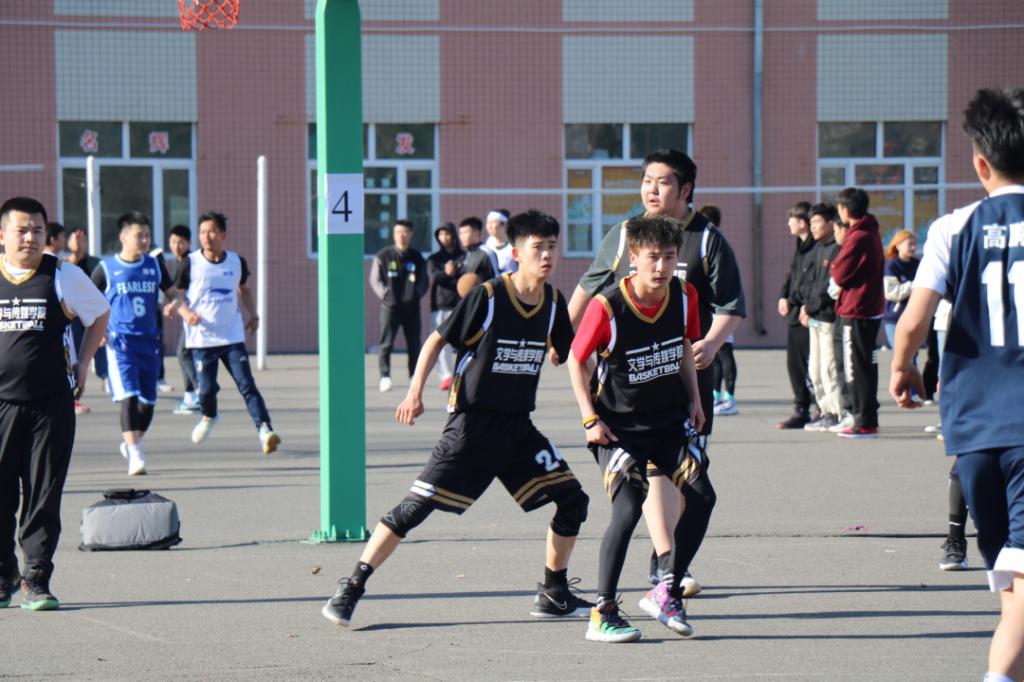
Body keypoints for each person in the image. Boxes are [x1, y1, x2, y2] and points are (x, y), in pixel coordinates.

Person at [322, 210, 592, 628]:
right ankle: (351, 587)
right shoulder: (489, 297)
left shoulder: (554, 302)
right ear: (516, 253)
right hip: (472, 427)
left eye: (553, 247)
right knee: (413, 510)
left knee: (573, 499)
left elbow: (566, 352)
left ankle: (553, 592)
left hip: (518, 430)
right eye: (538, 247)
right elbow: (435, 340)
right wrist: (414, 391)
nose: (547, 255)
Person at [890, 87, 1024, 682]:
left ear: (980, 162)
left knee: (1012, 591)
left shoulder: (953, 227)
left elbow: (913, 320)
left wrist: (902, 368)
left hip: (972, 433)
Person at [568, 148, 744, 594]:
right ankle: (665, 563)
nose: (651, 189)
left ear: (686, 190)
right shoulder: (624, 234)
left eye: (662, 182)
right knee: (652, 474)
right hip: (628, 386)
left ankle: (667, 559)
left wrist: (710, 343)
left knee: (689, 480)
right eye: (647, 180)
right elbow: (588, 287)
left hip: (685, 378)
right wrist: (560, 337)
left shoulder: (707, 241)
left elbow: (731, 306)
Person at [568, 215, 707, 642]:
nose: (662, 266)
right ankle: (603, 612)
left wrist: (696, 400)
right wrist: (590, 419)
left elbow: (683, 346)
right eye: (653, 257)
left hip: (667, 423)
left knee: (702, 496)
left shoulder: (684, 296)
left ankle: (667, 589)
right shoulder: (608, 306)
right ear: (633, 257)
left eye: (669, 257)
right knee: (628, 510)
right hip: (618, 431)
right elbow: (576, 359)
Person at [0, 196, 109, 610]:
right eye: (21, 230)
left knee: (43, 494)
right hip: (2, 405)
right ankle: (3, 575)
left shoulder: (63, 275)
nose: (30, 238)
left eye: (37, 230)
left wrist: (84, 363)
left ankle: (36, 578)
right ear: (3, 235)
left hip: (51, 404)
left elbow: (100, 313)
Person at [171, 212, 280, 454]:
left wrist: (253, 315)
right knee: (206, 389)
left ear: (223, 235)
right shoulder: (189, 263)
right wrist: (186, 313)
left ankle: (265, 430)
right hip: (202, 339)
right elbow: (176, 296)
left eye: (211, 232)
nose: (206, 237)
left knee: (247, 385)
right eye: (202, 232)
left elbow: (245, 289)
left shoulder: (236, 262)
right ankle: (209, 415)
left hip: (231, 337)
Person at [91, 212, 176, 476]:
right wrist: (97, 330)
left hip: (149, 342)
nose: (145, 240)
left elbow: (173, 293)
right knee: (129, 396)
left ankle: (131, 442)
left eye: (148, 235)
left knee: (148, 402)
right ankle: (135, 454)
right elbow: (88, 300)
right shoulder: (106, 268)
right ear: (124, 237)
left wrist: (174, 305)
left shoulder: (154, 265)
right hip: (120, 343)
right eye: (140, 236)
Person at [830, 187, 884, 438]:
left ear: (845, 210)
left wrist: (835, 265)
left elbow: (840, 273)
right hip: (866, 308)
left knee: (855, 367)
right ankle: (867, 418)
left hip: (857, 309)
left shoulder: (858, 236)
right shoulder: (869, 232)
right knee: (865, 365)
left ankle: (863, 420)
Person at [369, 220, 428, 393]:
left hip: (412, 308)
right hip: (390, 308)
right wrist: (385, 294)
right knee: (386, 343)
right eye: (397, 232)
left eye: (405, 232)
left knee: (414, 343)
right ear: (393, 234)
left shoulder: (417, 257)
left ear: (411, 234)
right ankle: (385, 376)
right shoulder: (383, 255)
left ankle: (413, 376)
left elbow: (424, 280)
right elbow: (375, 280)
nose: (401, 235)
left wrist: (416, 293)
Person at [800, 203, 844, 432]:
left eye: (817, 222)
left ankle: (838, 412)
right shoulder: (817, 249)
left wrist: (810, 307)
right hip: (814, 318)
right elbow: (808, 282)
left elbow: (829, 288)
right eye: (811, 222)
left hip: (828, 319)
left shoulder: (837, 249)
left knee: (829, 368)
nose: (813, 227)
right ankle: (825, 410)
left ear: (830, 223)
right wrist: (804, 307)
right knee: (815, 369)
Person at [777, 202, 817, 429]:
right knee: (795, 364)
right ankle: (801, 408)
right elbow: (792, 275)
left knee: (811, 365)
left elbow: (811, 283)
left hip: (807, 314)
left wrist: (801, 303)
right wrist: (784, 296)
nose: (788, 224)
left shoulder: (816, 247)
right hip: (795, 313)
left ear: (802, 223)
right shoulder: (800, 246)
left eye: (791, 219)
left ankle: (817, 407)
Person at [699, 205, 739, 417]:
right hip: (709, 307)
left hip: (719, 307)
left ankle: (730, 398)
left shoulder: (716, 243)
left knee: (724, 351)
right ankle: (716, 396)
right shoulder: (706, 243)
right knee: (714, 353)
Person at [64, 225, 107, 412]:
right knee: (74, 351)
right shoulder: (64, 266)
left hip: (93, 315)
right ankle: (74, 394)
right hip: (73, 318)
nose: (79, 242)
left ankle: (106, 377)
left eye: (83, 239)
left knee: (99, 347)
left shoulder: (95, 264)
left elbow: (103, 295)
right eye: (75, 238)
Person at [166, 224, 200, 414]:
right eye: (173, 242)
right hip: (191, 315)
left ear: (188, 243)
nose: (176, 246)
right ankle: (190, 396)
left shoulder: (186, 263)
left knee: (184, 352)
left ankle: (199, 391)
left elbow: (178, 294)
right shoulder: (186, 261)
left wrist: (172, 307)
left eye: (180, 242)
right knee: (186, 353)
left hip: (194, 315)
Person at [426, 222, 462, 391]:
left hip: (460, 304)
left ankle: (462, 373)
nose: (444, 237)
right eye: (440, 234)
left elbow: (466, 278)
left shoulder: (463, 256)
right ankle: (446, 376)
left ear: (453, 235)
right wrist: (447, 274)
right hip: (440, 306)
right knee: (441, 342)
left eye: (447, 233)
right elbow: (435, 277)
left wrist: (454, 275)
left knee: (464, 341)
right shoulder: (434, 259)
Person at [883, 230, 920, 351]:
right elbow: (892, 293)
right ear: (898, 245)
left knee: (913, 354)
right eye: (910, 244)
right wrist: (914, 285)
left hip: (914, 317)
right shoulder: (891, 265)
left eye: (915, 244)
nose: (913, 247)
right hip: (895, 318)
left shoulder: (917, 264)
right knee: (901, 353)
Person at [457, 216, 498, 280]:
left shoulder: (487, 253)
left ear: (477, 233)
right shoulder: (466, 254)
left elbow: (496, 277)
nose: (462, 236)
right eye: (460, 233)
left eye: (465, 232)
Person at [483, 209, 517, 274]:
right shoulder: (489, 243)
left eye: (492, 223)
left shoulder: (514, 243)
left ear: (504, 224)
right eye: (488, 223)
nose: (489, 226)